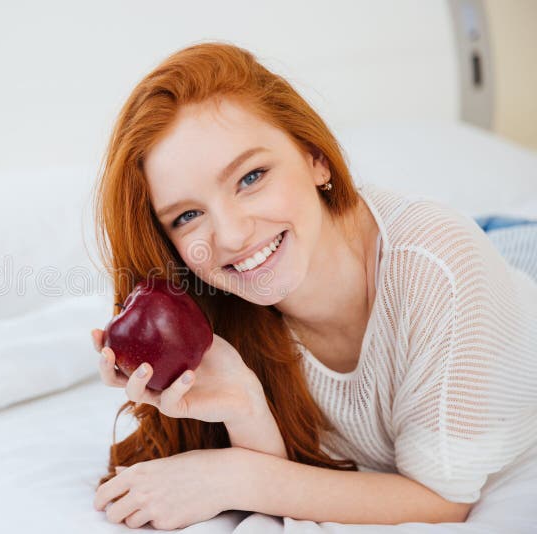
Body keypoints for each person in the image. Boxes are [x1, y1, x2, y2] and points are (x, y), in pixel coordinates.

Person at [88, 42, 537, 531]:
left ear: (316, 158)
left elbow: (443, 501)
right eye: (188, 215)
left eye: (251, 177)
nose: (233, 235)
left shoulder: (441, 268)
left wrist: (234, 478)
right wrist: (243, 407)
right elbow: (287, 476)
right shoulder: (222, 305)